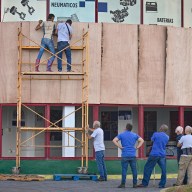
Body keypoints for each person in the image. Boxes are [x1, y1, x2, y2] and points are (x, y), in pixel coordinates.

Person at [112, 123, 144, 188]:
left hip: (125, 155)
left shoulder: (122, 134)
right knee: (134, 170)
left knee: (124, 170)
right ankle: (135, 184)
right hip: (132, 154)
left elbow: (114, 140)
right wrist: (137, 147)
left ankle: (123, 184)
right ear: (131, 128)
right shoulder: (134, 135)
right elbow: (142, 140)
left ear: (126, 128)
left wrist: (120, 147)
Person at [138, 124, 169, 189]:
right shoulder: (167, 137)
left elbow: (152, 140)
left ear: (160, 128)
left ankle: (145, 183)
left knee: (148, 168)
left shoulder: (155, 134)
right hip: (162, 155)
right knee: (163, 170)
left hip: (154, 154)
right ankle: (162, 184)